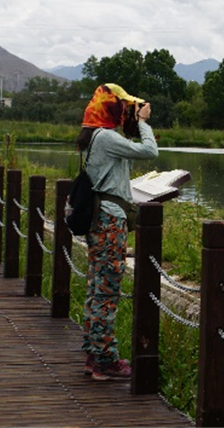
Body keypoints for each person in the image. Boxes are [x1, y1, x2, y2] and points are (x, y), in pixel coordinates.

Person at [76, 83, 158, 381]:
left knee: (96, 289)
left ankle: (93, 353)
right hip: (110, 223)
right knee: (107, 292)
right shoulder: (107, 138)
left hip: (100, 220)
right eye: (123, 106)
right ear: (112, 108)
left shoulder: (96, 136)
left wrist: (133, 122)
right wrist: (144, 123)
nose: (128, 110)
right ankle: (105, 361)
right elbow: (149, 150)